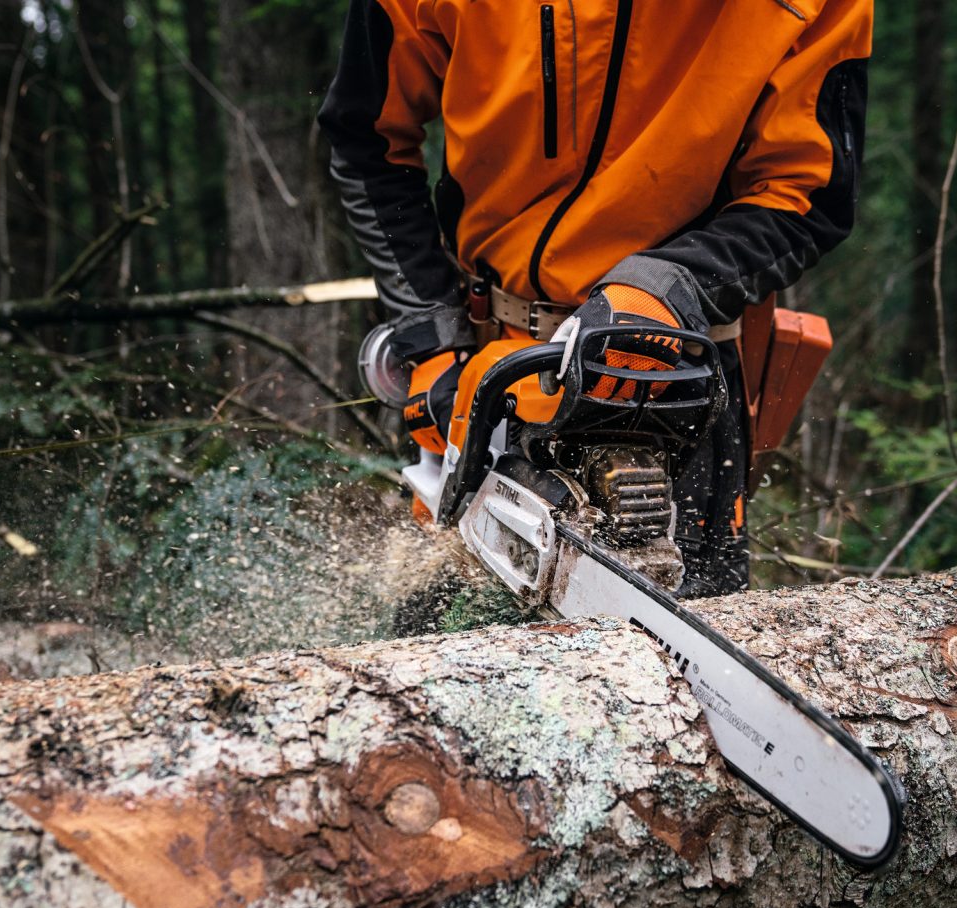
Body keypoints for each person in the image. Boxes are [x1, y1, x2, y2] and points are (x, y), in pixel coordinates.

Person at [318, 0, 871, 598]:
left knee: (689, 644)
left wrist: (667, 288)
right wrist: (431, 331)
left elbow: (808, 191)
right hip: (491, 349)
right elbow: (365, 134)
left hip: (676, 367)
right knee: (437, 645)